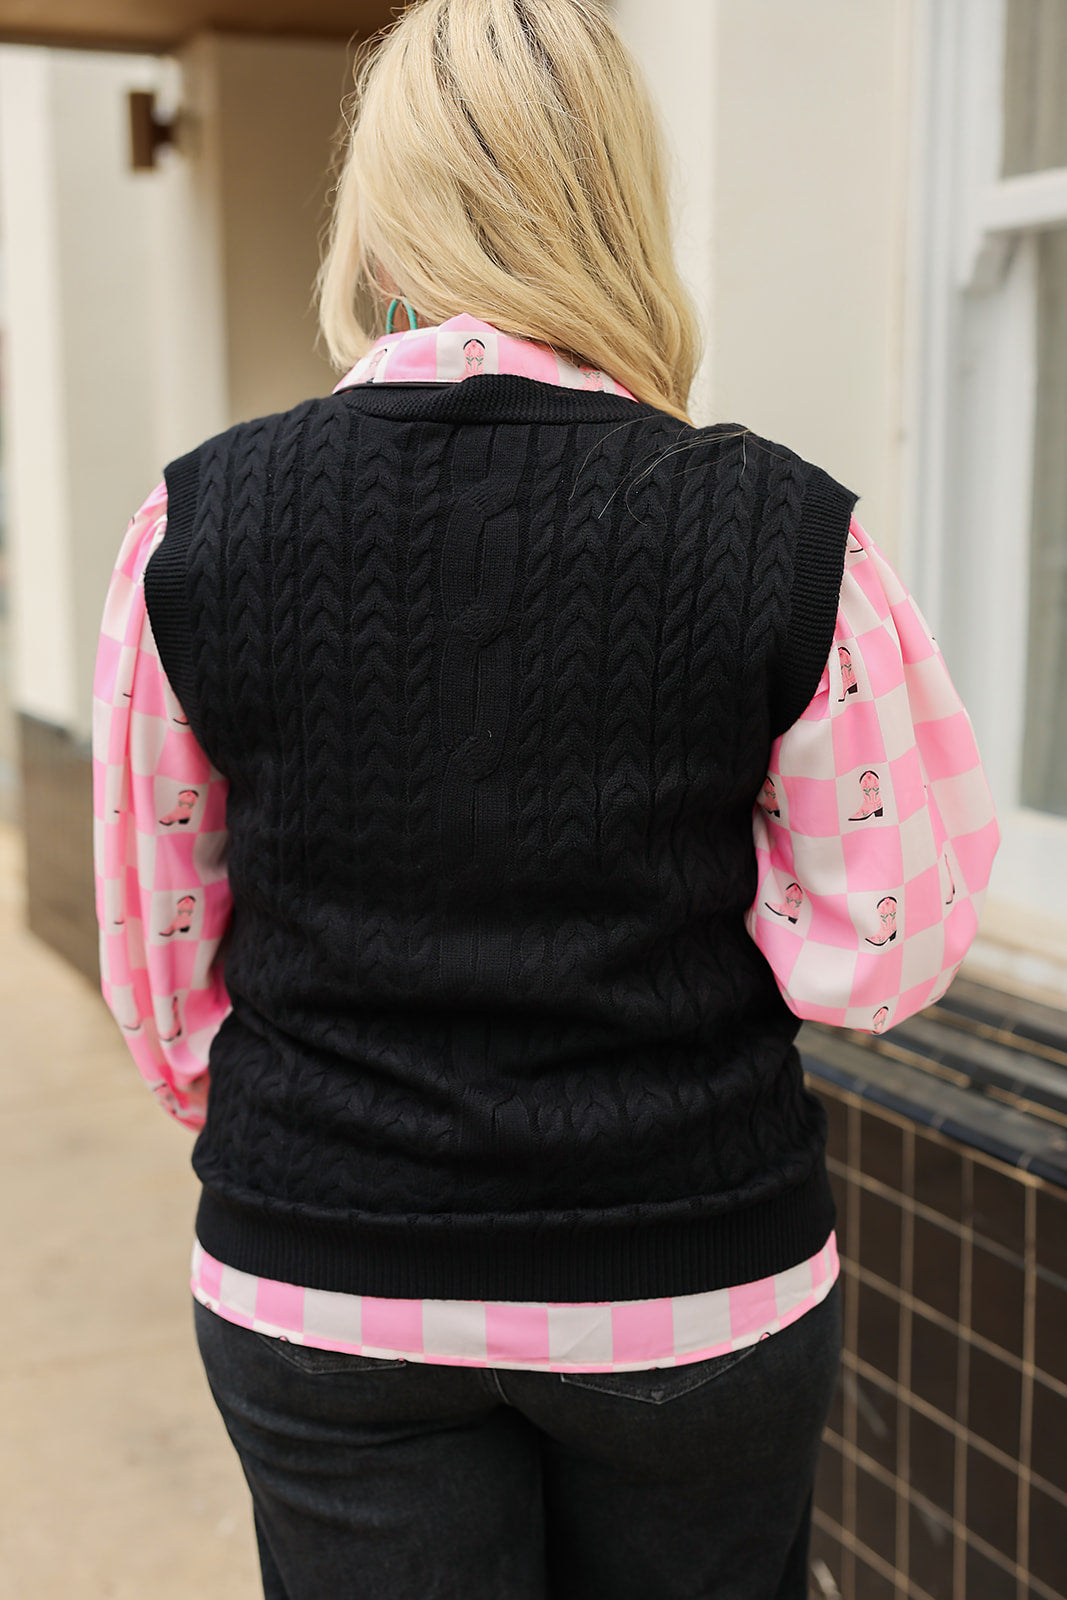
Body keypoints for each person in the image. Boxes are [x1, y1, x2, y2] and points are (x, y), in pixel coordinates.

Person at [91, 2, 999, 1596]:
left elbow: (163, 965)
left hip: (325, 1275)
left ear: (384, 205)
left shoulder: (200, 527)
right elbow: (885, 946)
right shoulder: (780, 534)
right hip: (691, 1279)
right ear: (619, 199)